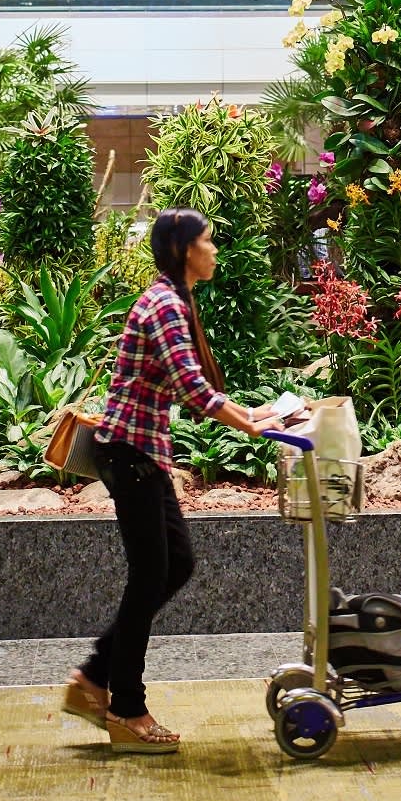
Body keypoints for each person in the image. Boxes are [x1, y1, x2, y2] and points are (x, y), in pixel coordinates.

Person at [64, 209, 299, 753]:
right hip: (131, 457)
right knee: (150, 577)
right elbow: (194, 392)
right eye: (208, 241)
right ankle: (125, 709)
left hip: (142, 455)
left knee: (175, 565)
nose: (214, 250)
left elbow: (188, 389)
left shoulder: (173, 301)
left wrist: (256, 412)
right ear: (182, 250)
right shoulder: (166, 304)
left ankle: (94, 677)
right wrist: (254, 422)